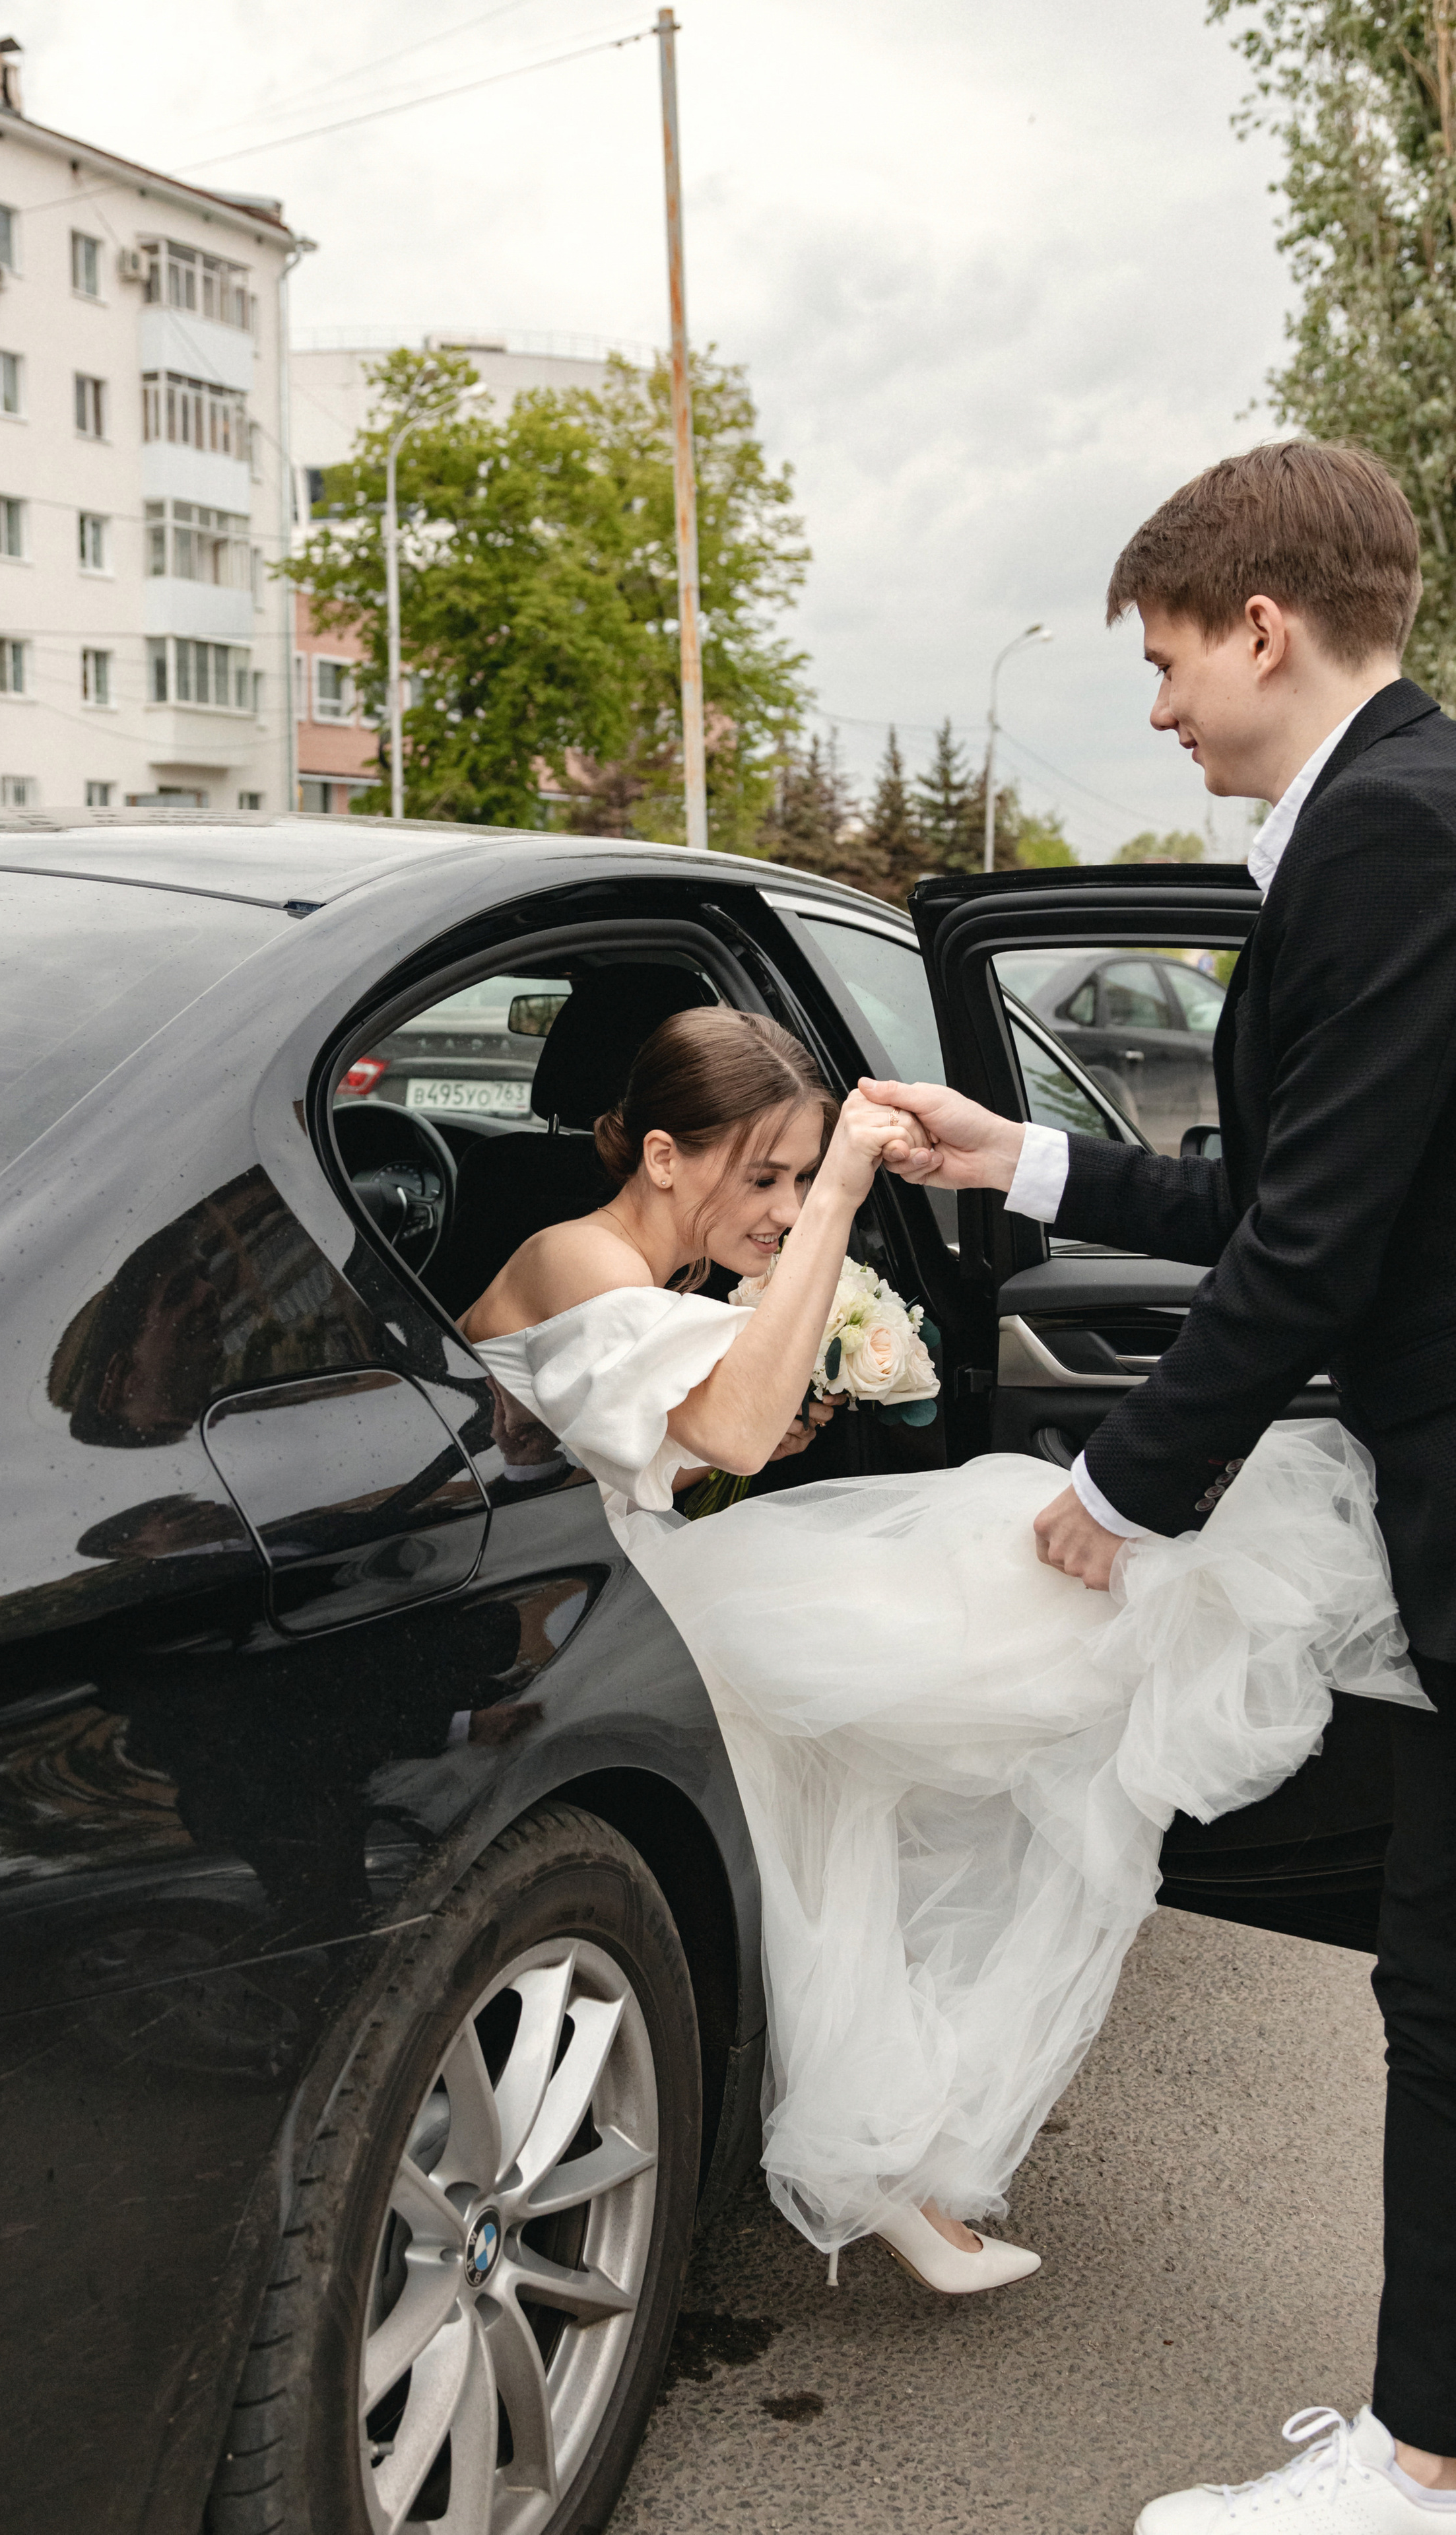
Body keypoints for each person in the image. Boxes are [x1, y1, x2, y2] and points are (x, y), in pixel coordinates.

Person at [461, 1000, 1421, 2301]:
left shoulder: (653, 1270)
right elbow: (725, 1435)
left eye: (800, 1176)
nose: (783, 1208)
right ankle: (886, 2162)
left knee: (866, 1795)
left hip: (618, 1587)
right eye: (764, 1177)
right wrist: (839, 1203)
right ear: (662, 1156)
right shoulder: (575, 1255)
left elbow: (660, 1460)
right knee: (1020, 1591)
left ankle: (887, 2162)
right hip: (586, 1610)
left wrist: (744, 1421)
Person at [879, 440, 1456, 2525]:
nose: (1155, 706)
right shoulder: (1397, 812)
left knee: (1445, 1993)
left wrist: (1122, 1493)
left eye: (1163, 658)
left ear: (1263, 628)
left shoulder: (1388, 830)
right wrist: (1018, 1154)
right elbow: (1278, 1193)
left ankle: (1415, 2470)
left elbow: (1313, 1243)